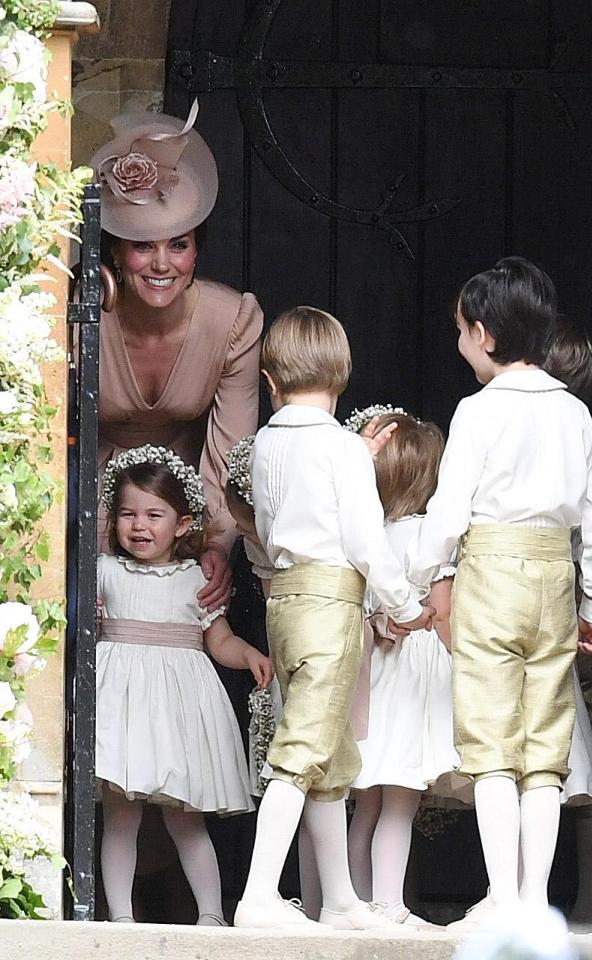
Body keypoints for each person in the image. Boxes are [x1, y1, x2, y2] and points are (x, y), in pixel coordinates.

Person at [406, 257, 592, 934]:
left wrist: (416, 582)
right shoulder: (573, 415)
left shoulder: (476, 411)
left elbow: (447, 515)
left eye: (462, 331)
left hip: (491, 575)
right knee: (544, 750)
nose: (460, 343)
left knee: (491, 744)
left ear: (487, 337)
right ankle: (532, 900)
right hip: (554, 578)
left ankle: (501, 898)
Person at [233, 306, 433, 932]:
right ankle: (259, 895)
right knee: (301, 752)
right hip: (330, 607)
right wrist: (404, 605)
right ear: (342, 374)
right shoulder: (344, 449)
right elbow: (368, 543)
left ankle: (341, 901)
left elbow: (265, 534)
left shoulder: (266, 443)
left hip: (284, 602)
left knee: (324, 751)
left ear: (271, 382)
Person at [89, 102, 262, 611]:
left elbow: (232, 447)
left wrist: (211, 541)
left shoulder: (232, 320)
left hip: (185, 511)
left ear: (196, 250)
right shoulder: (82, 314)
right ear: (117, 252)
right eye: (143, 246)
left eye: (179, 245)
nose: (162, 263)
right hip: (89, 500)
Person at [95, 444, 273, 925]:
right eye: (128, 514)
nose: (140, 525)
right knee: (121, 816)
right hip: (122, 706)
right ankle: (121, 917)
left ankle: (213, 914)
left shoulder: (198, 577)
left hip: (177, 710)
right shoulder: (102, 571)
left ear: (184, 524)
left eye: (154, 514)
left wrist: (250, 655)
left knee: (186, 817)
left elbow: (219, 640)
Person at [345, 411, 456, 930]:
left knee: (365, 803)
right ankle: (389, 906)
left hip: (370, 678)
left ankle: (354, 905)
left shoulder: (362, 536)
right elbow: (443, 608)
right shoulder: (432, 538)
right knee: (400, 803)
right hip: (413, 679)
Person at [543, 319, 592, 927]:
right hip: (573, 599)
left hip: (537, 594)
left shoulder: (536, 425)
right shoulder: (590, 432)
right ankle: (591, 906)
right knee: (590, 749)